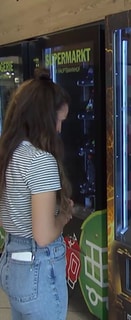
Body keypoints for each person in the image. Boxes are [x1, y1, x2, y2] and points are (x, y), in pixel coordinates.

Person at [0, 68, 73, 320]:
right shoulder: (40, 161)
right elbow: (43, 236)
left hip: (11, 262)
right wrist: (63, 216)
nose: (60, 129)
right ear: (43, 118)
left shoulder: (8, 154)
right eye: (59, 120)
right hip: (39, 268)